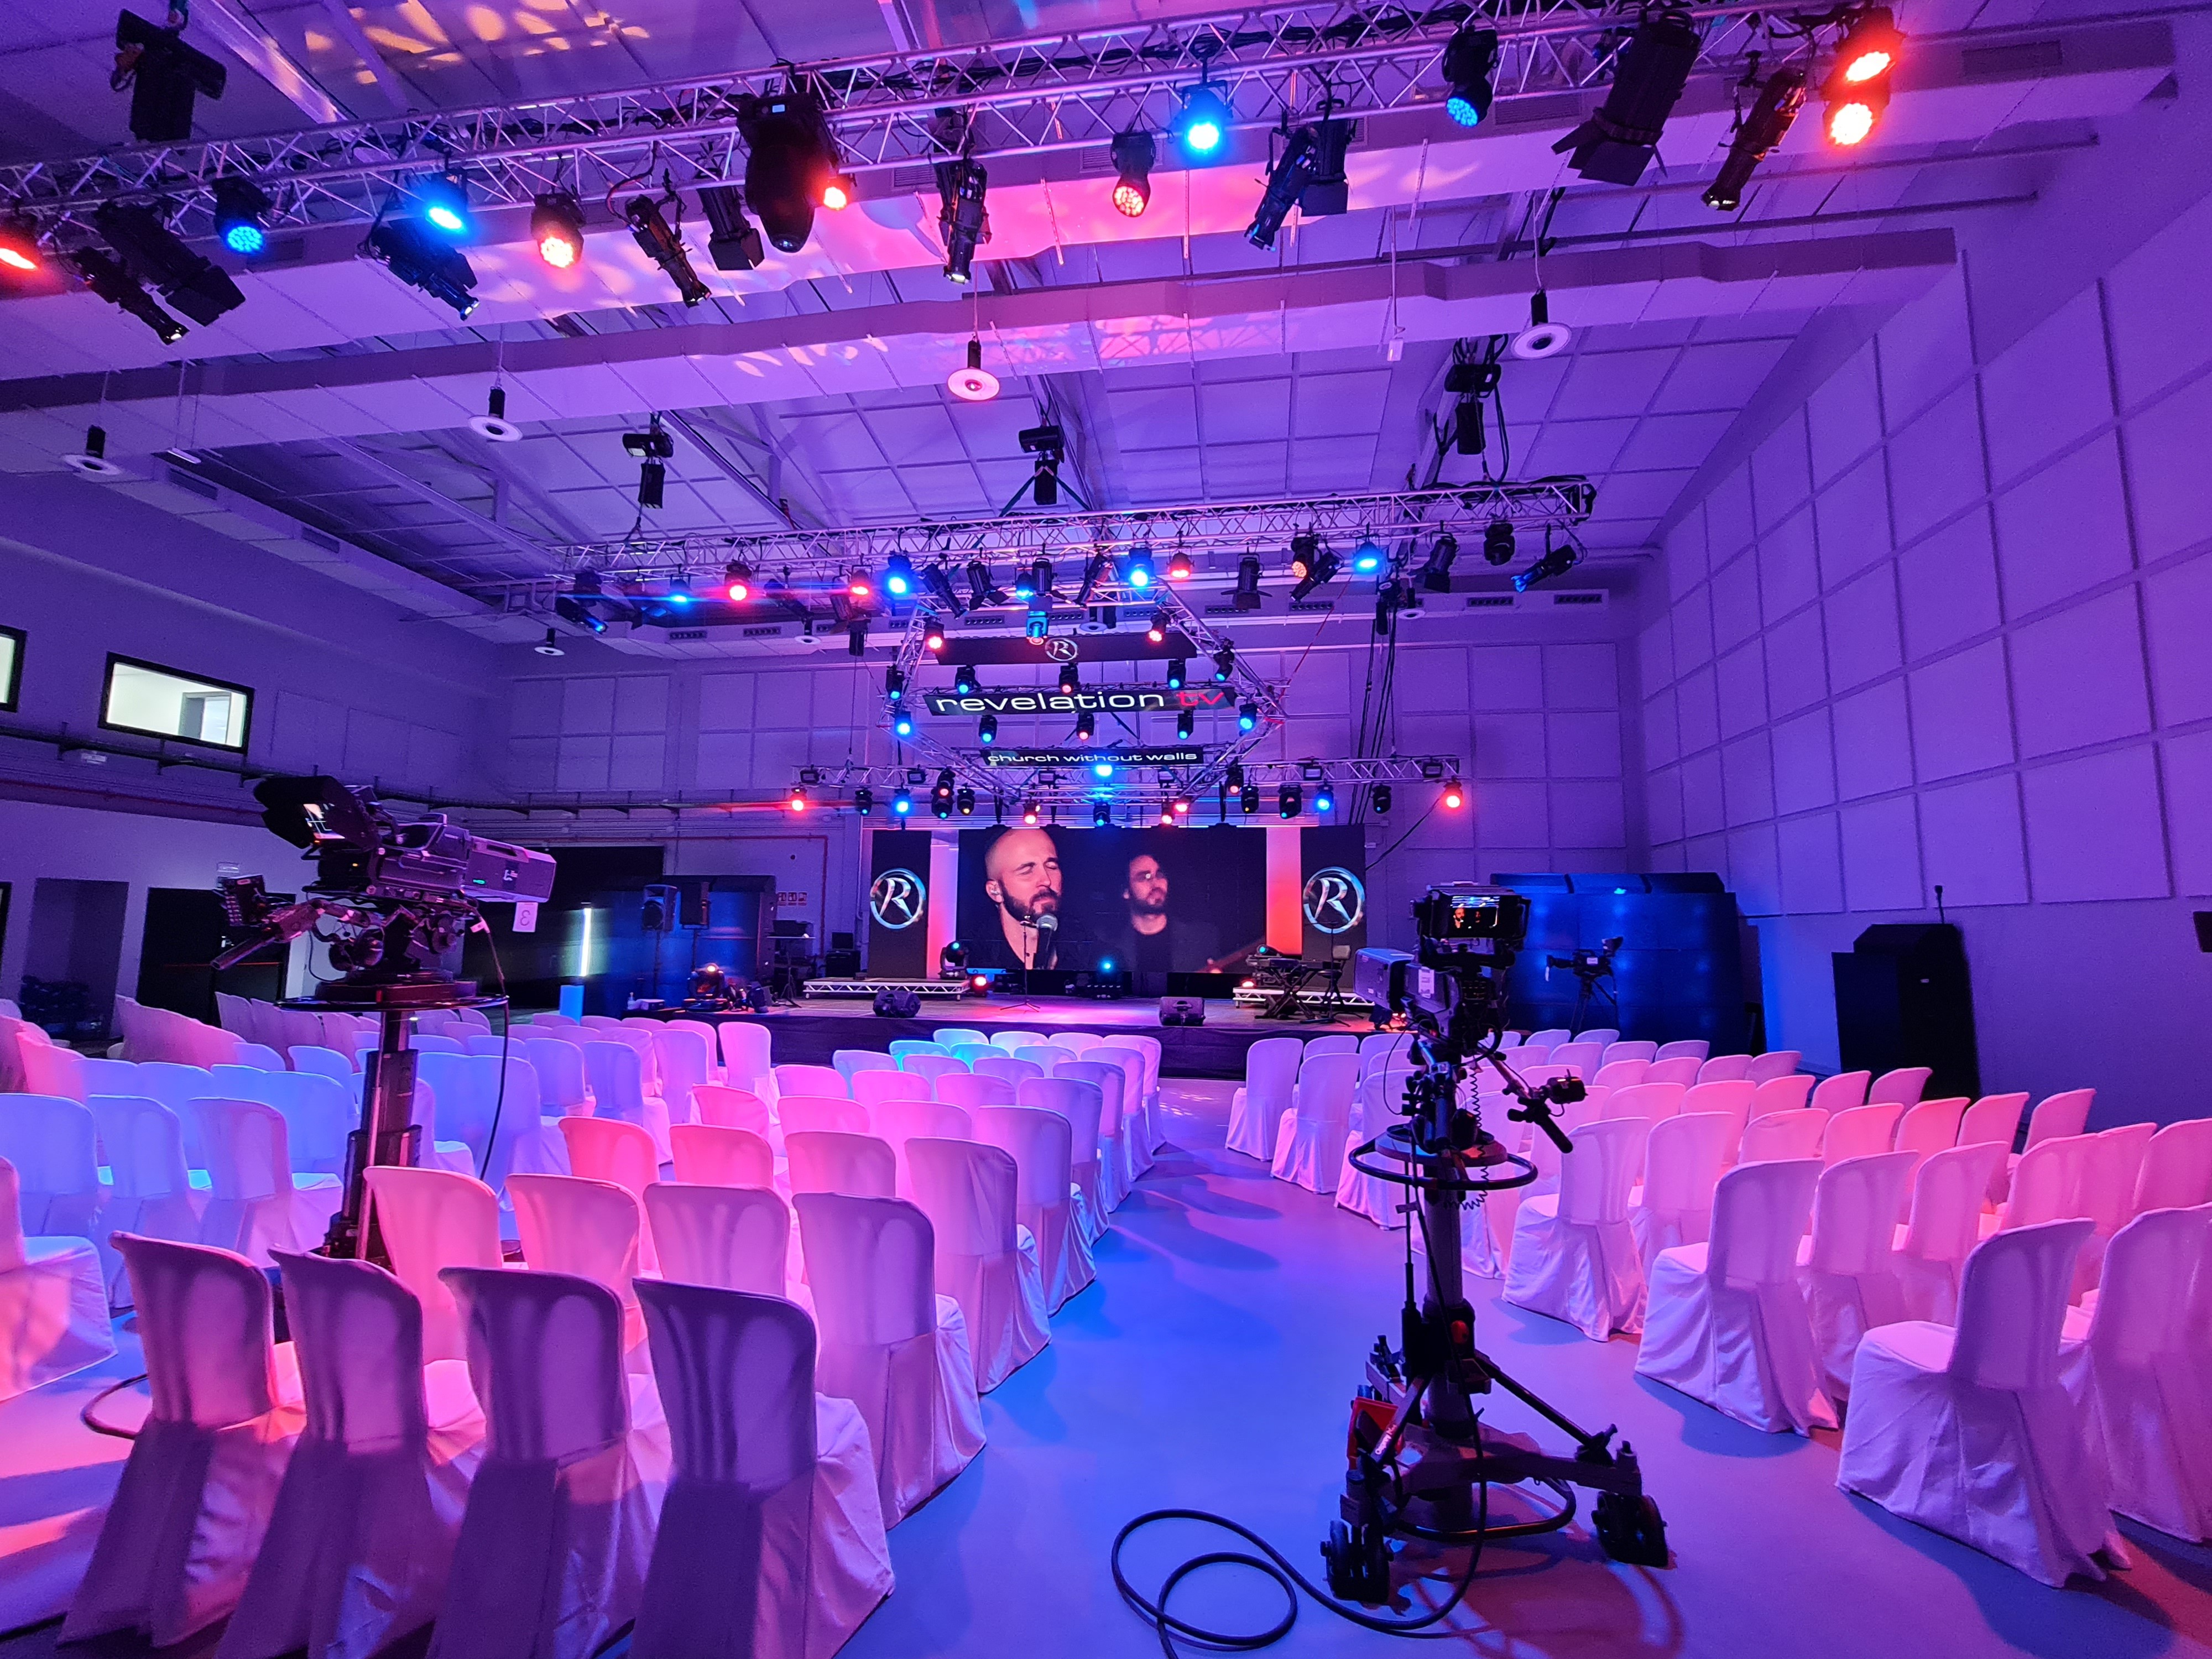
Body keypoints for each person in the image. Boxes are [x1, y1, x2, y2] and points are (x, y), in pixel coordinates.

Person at [967, 825, 1094, 972]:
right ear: (995, 891)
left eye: (1052, 867)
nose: (1046, 880)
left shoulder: (1090, 951)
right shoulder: (975, 956)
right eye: (1027, 871)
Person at [1105, 849, 1220, 977]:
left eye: (1159, 875)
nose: (1156, 884)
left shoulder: (1202, 937)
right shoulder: (1109, 945)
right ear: (1126, 891)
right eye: (1144, 877)